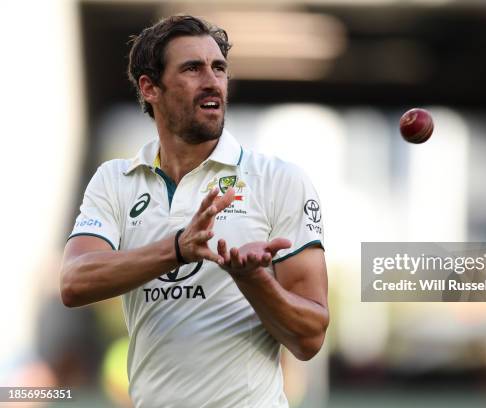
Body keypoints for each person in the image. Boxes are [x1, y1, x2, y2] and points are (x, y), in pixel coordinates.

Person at [60, 15, 328, 408]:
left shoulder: (279, 179)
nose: (212, 81)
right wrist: (178, 248)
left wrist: (253, 280)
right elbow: (74, 283)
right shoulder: (115, 179)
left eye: (218, 68)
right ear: (150, 87)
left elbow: (310, 338)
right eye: (192, 68)